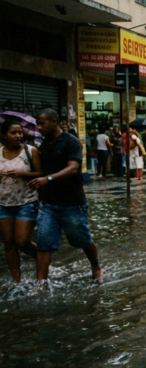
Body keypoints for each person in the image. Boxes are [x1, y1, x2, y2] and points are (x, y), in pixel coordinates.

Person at [28, 109, 102, 288]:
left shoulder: (71, 142)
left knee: (82, 240)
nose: (38, 127)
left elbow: (72, 168)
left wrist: (48, 179)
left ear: (55, 122)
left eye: (42, 123)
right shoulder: (43, 145)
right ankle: (42, 283)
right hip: (49, 203)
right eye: (37, 124)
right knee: (44, 243)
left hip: (72, 202)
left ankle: (96, 266)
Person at [0, 119, 41, 285]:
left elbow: (40, 173)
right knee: (9, 244)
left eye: (20, 133)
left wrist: (22, 174)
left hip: (27, 201)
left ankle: (42, 260)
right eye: (13, 133)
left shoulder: (31, 151)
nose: (18, 136)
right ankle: (16, 281)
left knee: (22, 241)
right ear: (4, 135)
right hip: (3, 203)